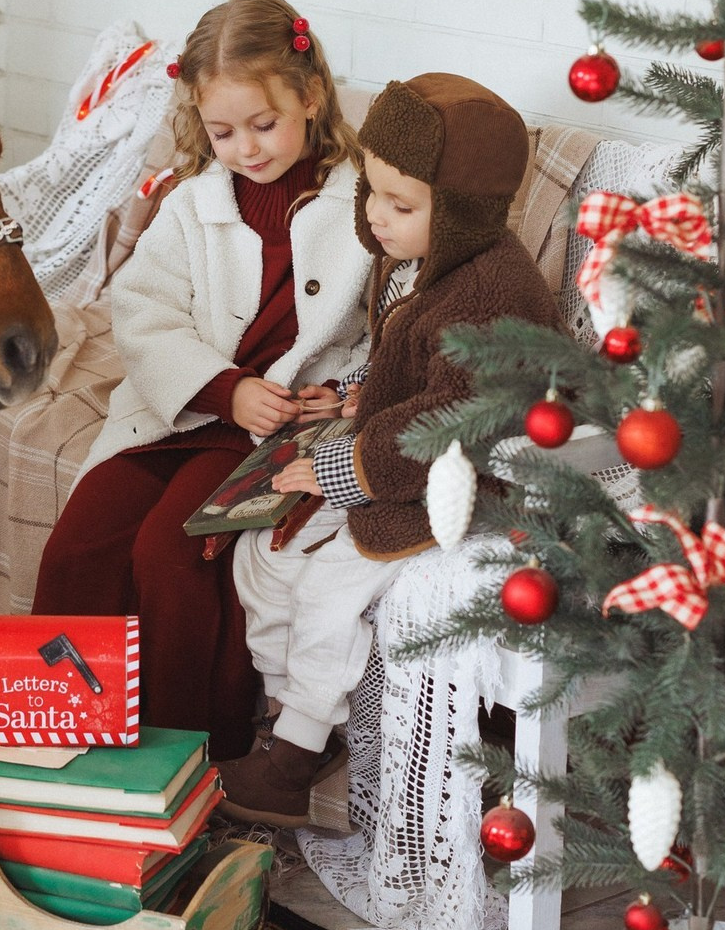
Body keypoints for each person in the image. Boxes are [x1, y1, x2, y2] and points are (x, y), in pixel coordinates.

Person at [30, 0, 372, 760]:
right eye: (223, 132)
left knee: (173, 551)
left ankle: (187, 754)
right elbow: (144, 314)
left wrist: (344, 395)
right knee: (80, 544)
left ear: (310, 98)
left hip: (271, 439)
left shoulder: (361, 206)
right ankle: (56, 736)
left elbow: (384, 329)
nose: (246, 149)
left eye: (263, 125)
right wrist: (223, 389)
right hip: (177, 414)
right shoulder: (194, 206)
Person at [220, 71, 566, 826]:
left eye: (400, 204)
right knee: (263, 555)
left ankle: (294, 759)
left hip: (464, 488)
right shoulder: (414, 261)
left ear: (462, 218)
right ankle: (296, 717)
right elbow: (399, 364)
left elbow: (459, 416)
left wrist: (345, 466)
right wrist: (353, 393)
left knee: (330, 586)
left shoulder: (492, 293)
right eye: (370, 192)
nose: (376, 216)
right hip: (391, 456)